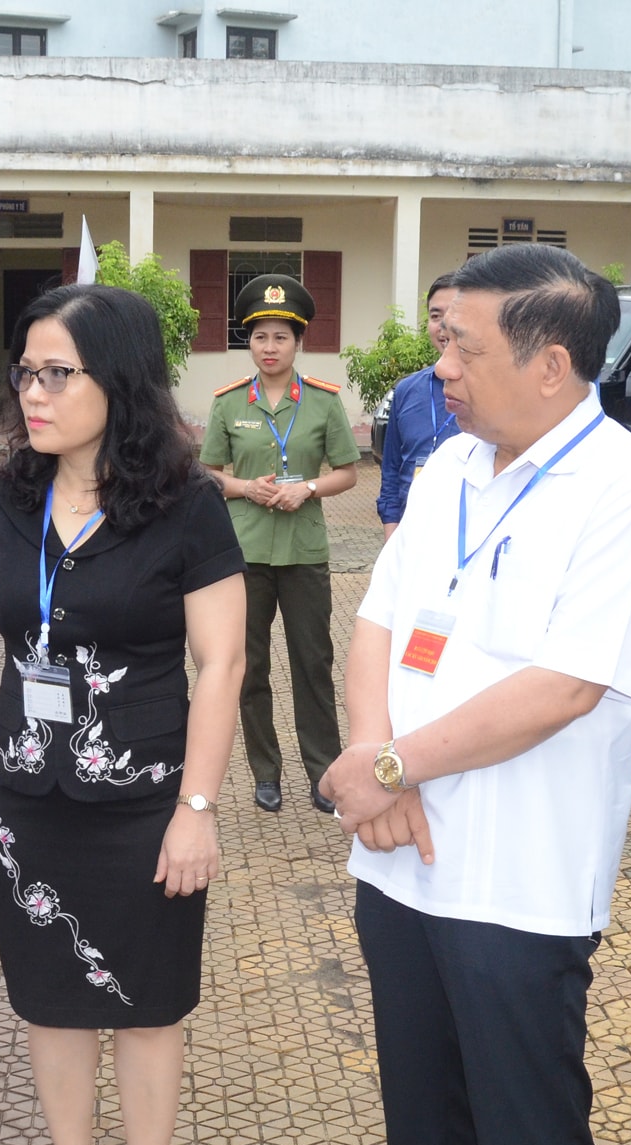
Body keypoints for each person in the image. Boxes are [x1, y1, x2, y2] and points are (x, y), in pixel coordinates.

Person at [302, 245, 631, 1145]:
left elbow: (565, 684)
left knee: (528, 1124)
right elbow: (375, 621)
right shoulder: (449, 467)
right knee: (416, 1086)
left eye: (460, 345)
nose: (441, 366)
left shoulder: (625, 490)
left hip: (520, 875)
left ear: (553, 363)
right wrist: (384, 768)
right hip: (401, 854)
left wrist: (381, 761)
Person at [0, 283, 245, 1145]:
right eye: (25, 371)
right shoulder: (4, 499)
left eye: (57, 372)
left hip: (149, 804)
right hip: (28, 801)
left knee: (149, 1006)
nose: (33, 390)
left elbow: (221, 663)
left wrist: (198, 806)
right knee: (53, 1000)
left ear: (120, 379)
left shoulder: (186, 504)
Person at [200, 273, 361, 814]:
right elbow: (208, 474)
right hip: (243, 552)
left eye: (281, 338)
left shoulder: (322, 402)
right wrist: (245, 487)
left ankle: (324, 772)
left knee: (313, 663)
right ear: (249, 342)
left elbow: (348, 472)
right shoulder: (228, 403)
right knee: (249, 665)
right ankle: (265, 771)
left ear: (298, 342)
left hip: (305, 553)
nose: (269, 348)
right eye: (260, 337)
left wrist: (307, 488)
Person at [375, 274, 458, 537]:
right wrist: (392, 534)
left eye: (454, 313)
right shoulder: (407, 390)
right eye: (435, 316)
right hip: (411, 532)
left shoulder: (495, 391)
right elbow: (391, 469)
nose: (443, 325)